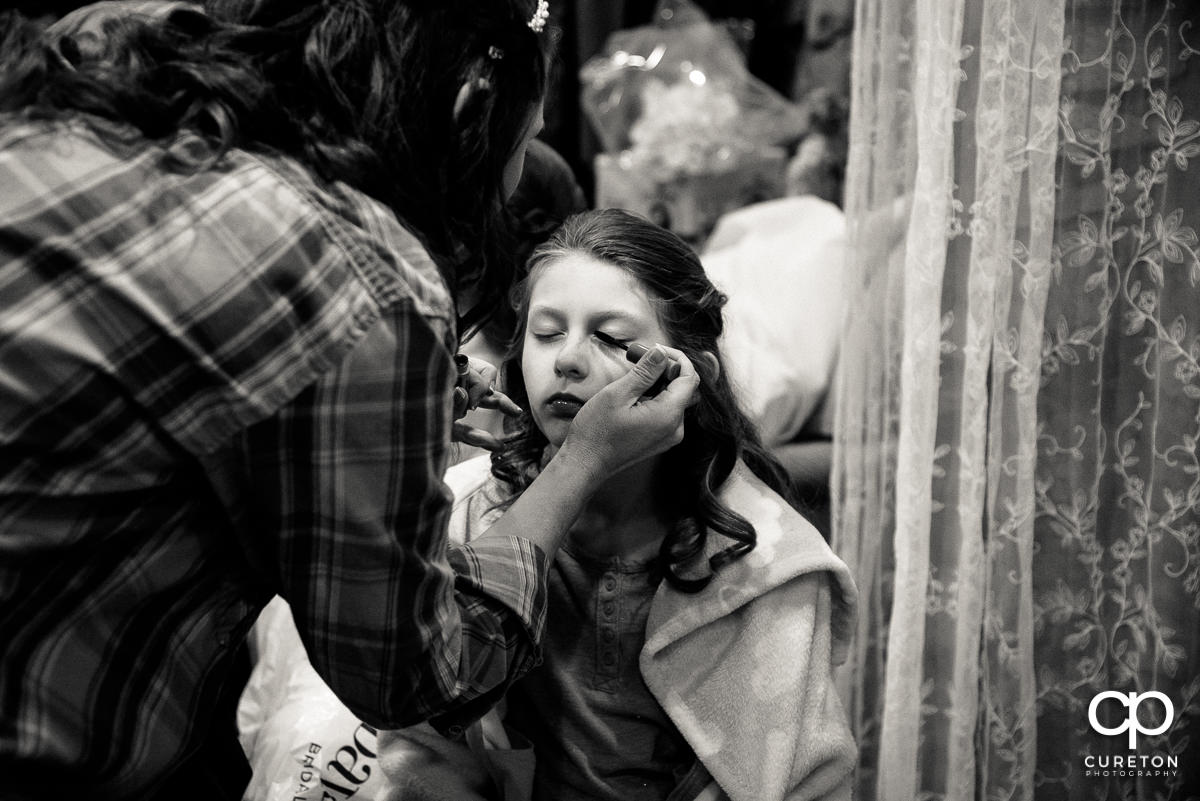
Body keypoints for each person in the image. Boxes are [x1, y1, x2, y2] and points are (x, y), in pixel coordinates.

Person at [0, 3, 698, 799]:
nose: (570, 361)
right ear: (473, 107)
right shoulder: (358, 278)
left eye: (611, 335)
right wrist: (581, 462)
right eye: (524, 135)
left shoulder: (92, 94)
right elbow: (420, 672)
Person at [379, 209, 858, 801]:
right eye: (547, 331)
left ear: (691, 377)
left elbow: (799, 778)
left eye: (612, 338)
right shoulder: (465, 514)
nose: (567, 360)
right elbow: (421, 754)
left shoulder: (766, 564)